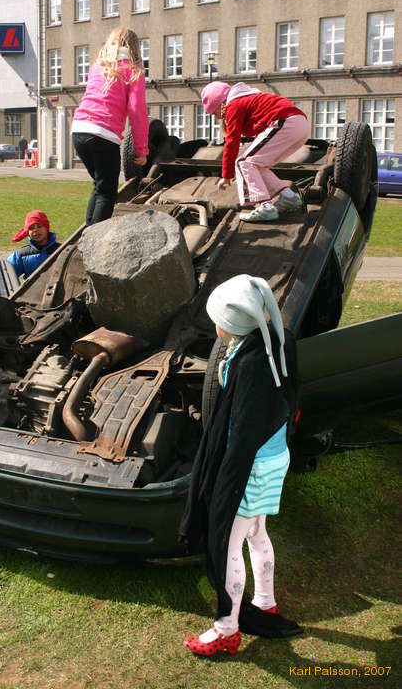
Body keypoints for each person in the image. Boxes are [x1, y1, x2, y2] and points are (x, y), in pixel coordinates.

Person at [180, 274, 301, 658]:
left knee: (227, 544)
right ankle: (265, 602)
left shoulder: (249, 366)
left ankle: (227, 628)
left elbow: (241, 433)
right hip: (274, 458)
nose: (214, 326)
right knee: (257, 532)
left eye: (217, 320)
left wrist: (225, 484)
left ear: (230, 324)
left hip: (252, 467)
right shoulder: (279, 340)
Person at [200, 81, 309, 222]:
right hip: (300, 125)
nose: (216, 117)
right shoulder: (249, 98)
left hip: (285, 122)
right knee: (255, 164)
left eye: (213, 112)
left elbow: (232, 142)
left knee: (242, 162)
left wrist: (227, 175)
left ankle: (265, 206)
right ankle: (289, 197)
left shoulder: (234, 105)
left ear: (220, 104)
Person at [71, 28, 149, 225]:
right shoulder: (133, 71)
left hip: (79, 130)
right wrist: (141, 150)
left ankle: (87, 233)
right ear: (135, 47)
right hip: (103, 133)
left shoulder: (99, 66)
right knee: (107, 193)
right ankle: (94, 239)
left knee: (100, 186)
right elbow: (137, 110)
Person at [0, 210, 59, 284]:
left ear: (47, 228)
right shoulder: (22, 254)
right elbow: (5, 272)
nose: (35, 230)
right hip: (31, 296)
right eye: (31, 228)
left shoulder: (61, 251)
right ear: (28, 232)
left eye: (39, 226)